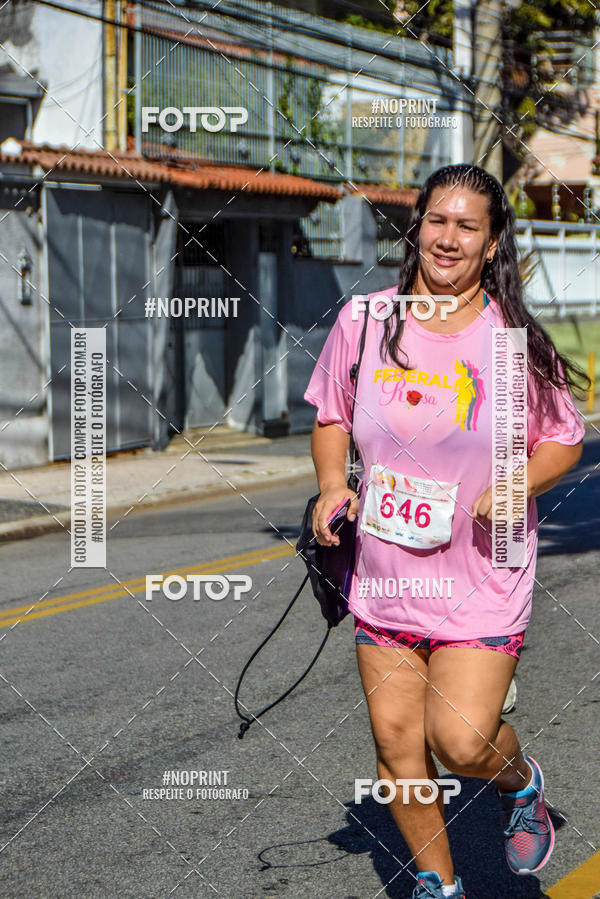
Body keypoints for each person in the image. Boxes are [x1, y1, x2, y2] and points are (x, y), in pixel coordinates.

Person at [303, 164, 588, 899]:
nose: (448, 238)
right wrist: (334, 484)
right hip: (389, 575)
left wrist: (520, 481)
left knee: (460, 740)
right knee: (400, 748)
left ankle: (519, 782)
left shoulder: (510, 342)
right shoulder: (365, 322)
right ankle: (440, 885)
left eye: (468, 226)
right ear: (417, 226)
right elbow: (331, 412)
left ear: (492, 243)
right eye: (437, 220)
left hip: (481, 573)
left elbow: (563, 437)